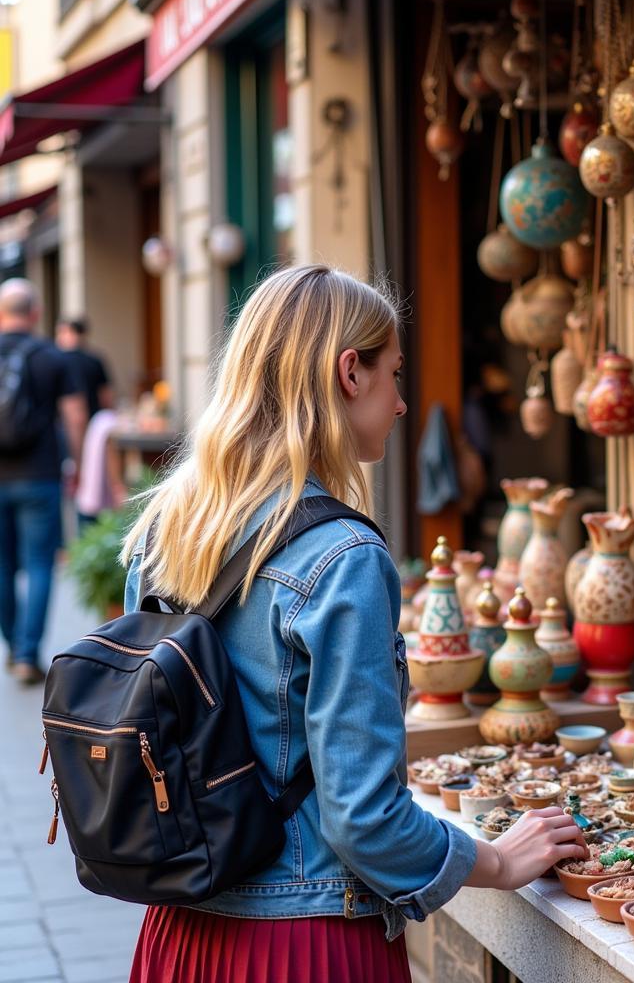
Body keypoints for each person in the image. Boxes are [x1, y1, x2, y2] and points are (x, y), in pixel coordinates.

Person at [121, 265, 587, 981]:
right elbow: (364, 819)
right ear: (349, 372)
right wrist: (497, 859)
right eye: (394, 374)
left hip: (178, 937)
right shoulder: (342, 555)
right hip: (303, 943)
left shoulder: (168, 528)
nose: (402, 403)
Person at [0, 279, 88, 684]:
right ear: (34, 313)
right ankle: (26, 652)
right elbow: (74, 415)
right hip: (40, 476)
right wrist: (80, 462)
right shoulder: (52, 357)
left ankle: (13, 640)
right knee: (38, 563)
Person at [55, 317, 114, 419]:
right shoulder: (94, 360)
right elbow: (106, 396)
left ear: (75, 334)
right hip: (93, 419)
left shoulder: (57, 361)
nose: (58, 338)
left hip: (64, 421)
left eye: (62, 332)